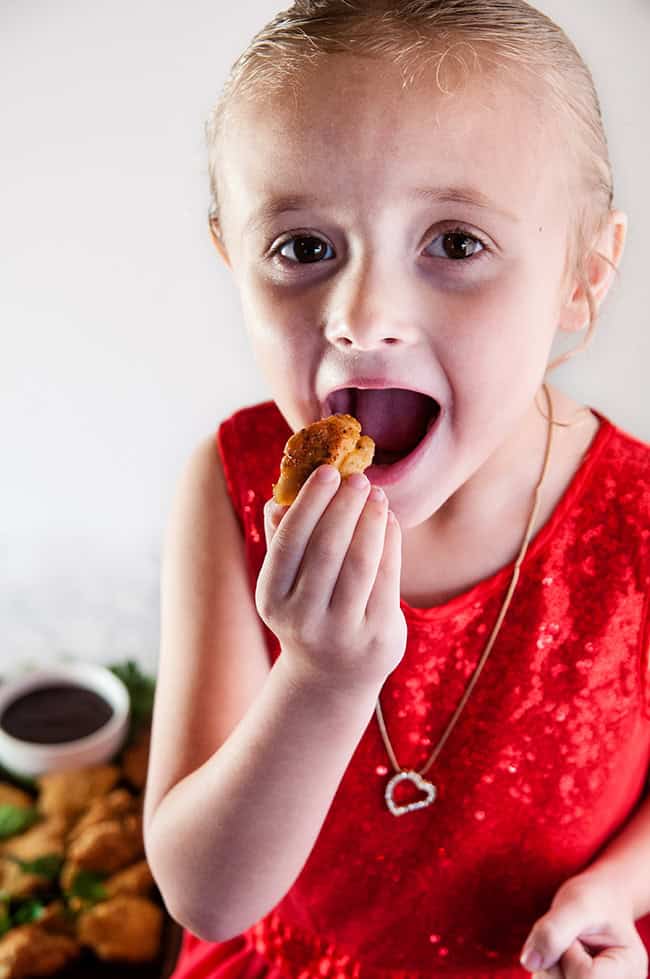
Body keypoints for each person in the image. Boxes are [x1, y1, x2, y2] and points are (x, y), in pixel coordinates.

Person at [142, 2, 650, 977]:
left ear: (581, 277)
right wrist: (318, 682)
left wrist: (617, 889)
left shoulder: (637, 519)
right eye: (301, 247)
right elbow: (203, 891)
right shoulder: (234, 487)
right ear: (231, 263)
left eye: (454, 244)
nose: (363, 317)